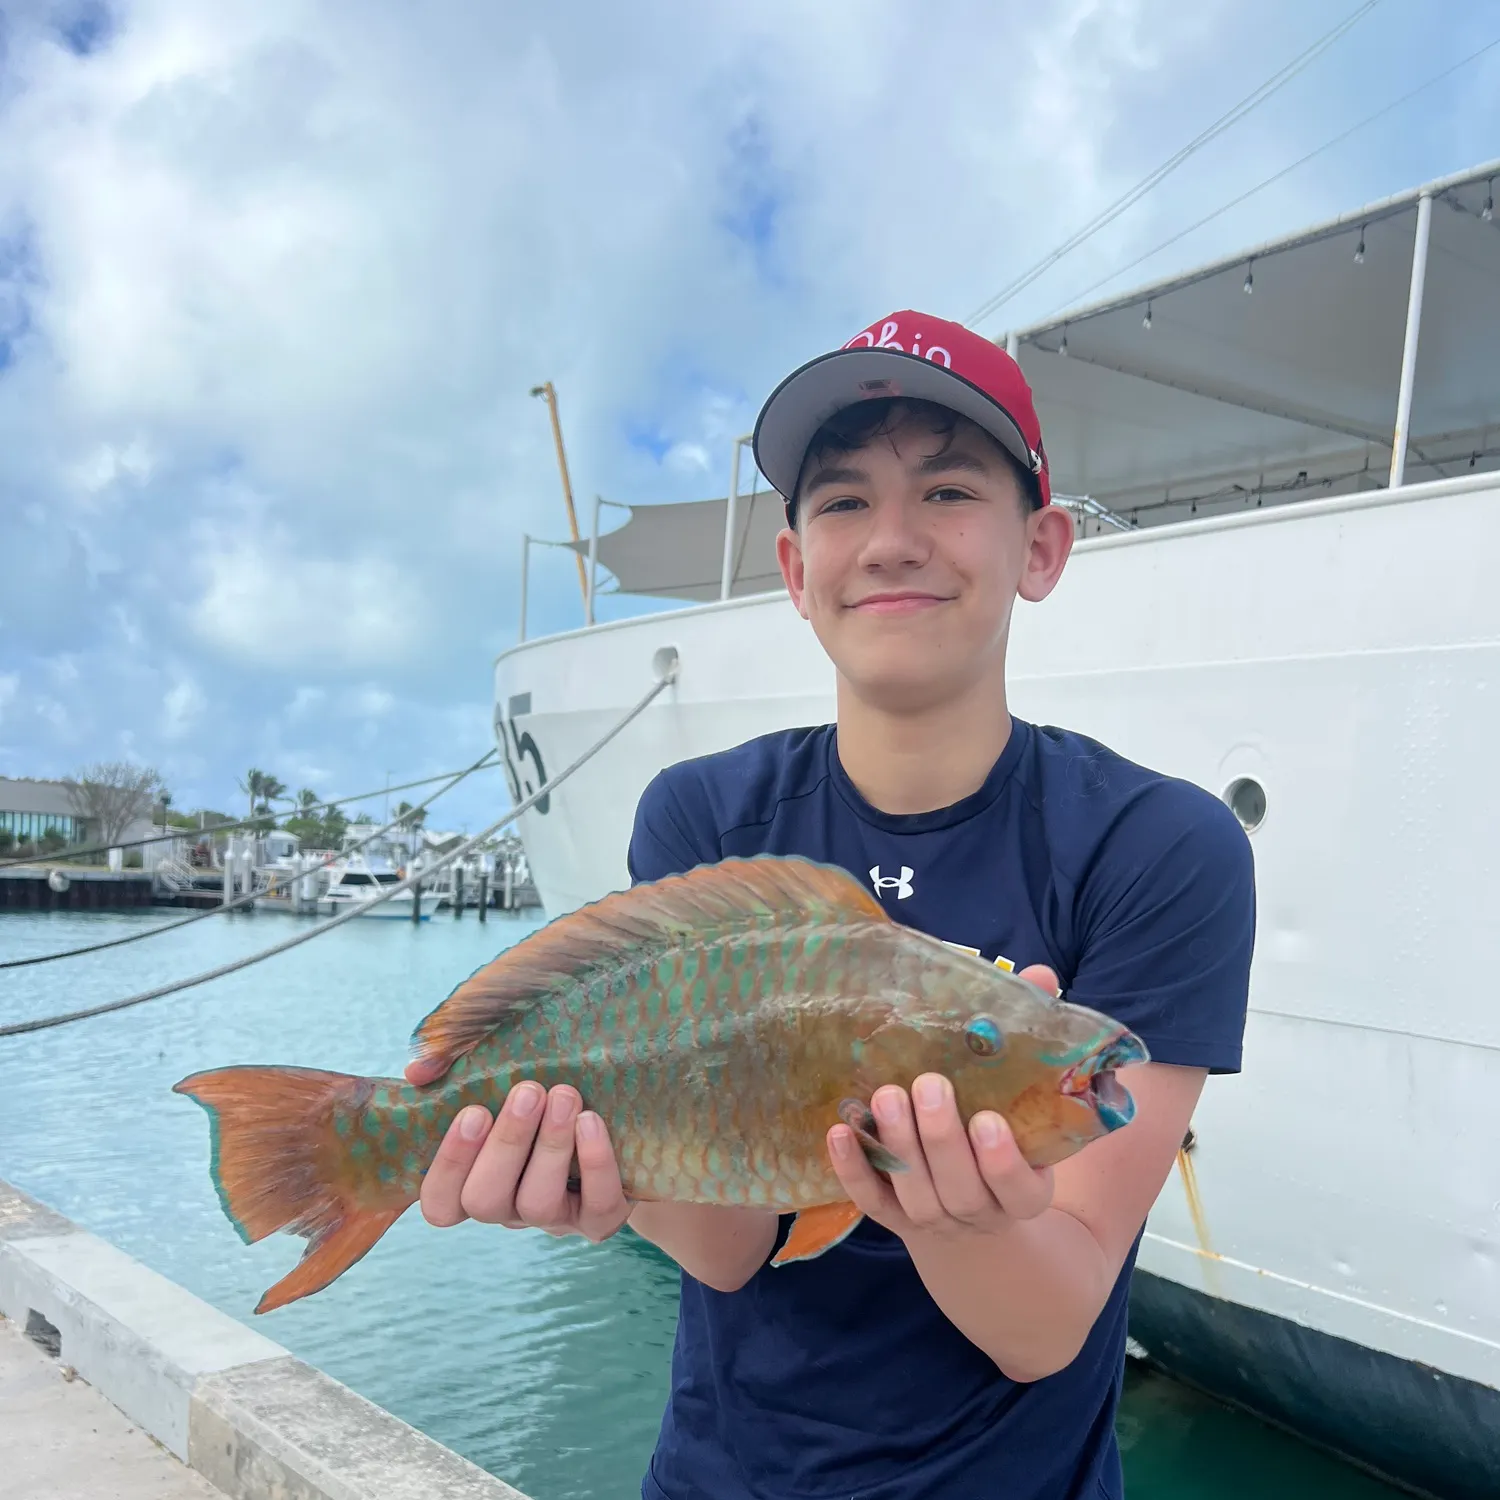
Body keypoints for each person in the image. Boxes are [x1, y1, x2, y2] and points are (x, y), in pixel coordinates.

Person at [407, 309, 1257, 1499]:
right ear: (797, 571)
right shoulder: (704, 817)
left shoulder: (1162, 846)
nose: (894, 540)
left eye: (952, 491)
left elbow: (1046, 1325)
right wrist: (606, 1182)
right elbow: (729, 1246)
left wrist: (943, 1213)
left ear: (1042, 548)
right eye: (845, 502)